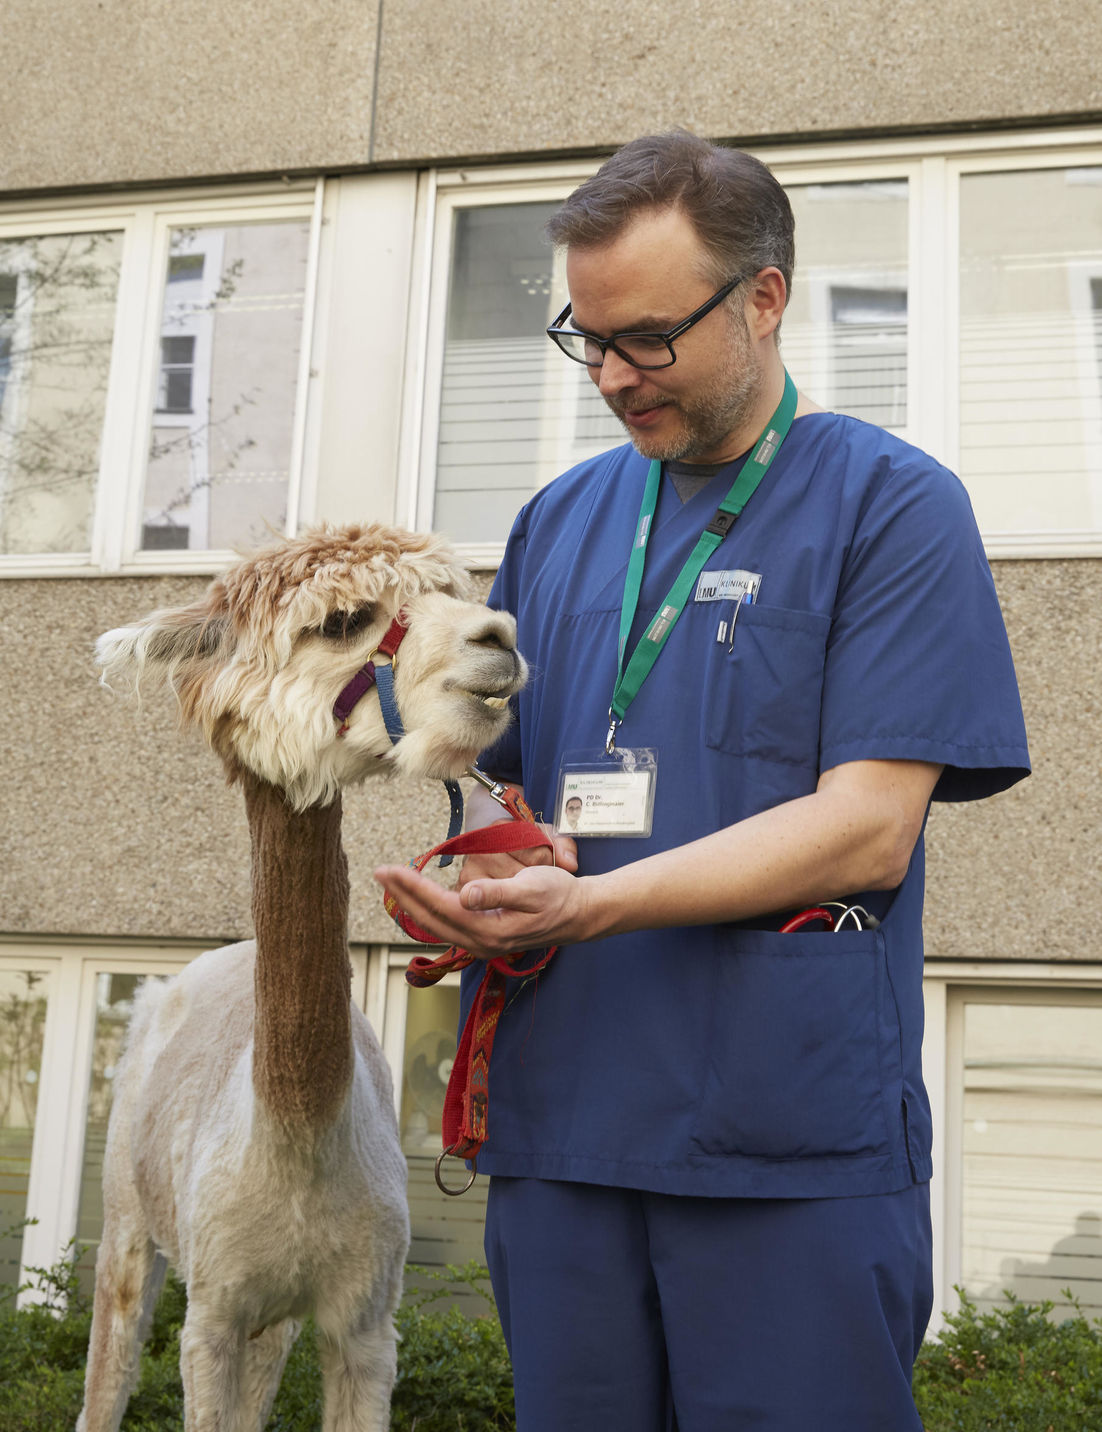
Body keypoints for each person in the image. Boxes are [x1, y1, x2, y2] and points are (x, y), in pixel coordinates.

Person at [376, 131, 1030, 1432]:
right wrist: (493, 853)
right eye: (588, 338)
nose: (613, 377)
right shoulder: (558, 519)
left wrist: (591, 908)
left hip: (778, 1140)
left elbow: (864, 833)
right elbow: (512, 787)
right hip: (565, 1131)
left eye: (649, 340)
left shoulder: (888, 506)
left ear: (763, 297)